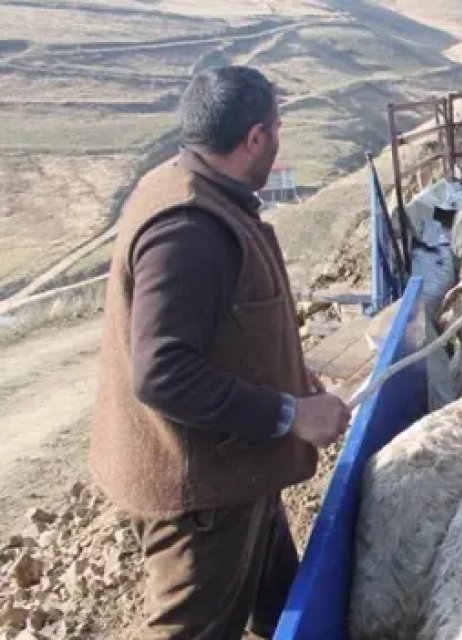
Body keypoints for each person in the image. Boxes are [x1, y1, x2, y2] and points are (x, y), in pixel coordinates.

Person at [90, 65, 351, 639]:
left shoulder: (199, 187)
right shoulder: (188, 227)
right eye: (278, 129)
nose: (281, 141)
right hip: (200, 497)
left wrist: (288, 372)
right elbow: (160, 372)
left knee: (284, 602)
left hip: (236, 469)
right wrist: (291, 414)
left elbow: (225, 323)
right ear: (255, 137)